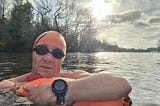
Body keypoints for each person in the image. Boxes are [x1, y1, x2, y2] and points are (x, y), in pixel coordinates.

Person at [0, 31, 132, 105]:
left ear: (62, 60)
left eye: (57, 54)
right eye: (41, 50)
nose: (48, 58)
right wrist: (12, 85)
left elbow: (122, 85)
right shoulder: (21, 81)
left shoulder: (72, 76)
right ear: (33, 53)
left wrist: (63, 91)